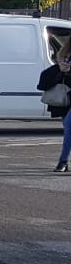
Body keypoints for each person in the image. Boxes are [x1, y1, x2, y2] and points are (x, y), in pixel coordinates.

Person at [47, 39, 71, 172]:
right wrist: (61, 69)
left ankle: (62, 161)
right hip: (66, 96)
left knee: (68, 127)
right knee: (68, 129)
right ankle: (64, 162)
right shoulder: (65, 51)